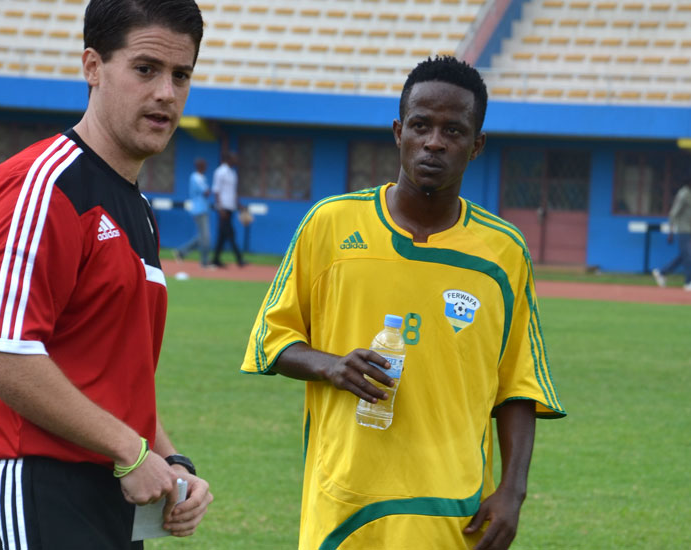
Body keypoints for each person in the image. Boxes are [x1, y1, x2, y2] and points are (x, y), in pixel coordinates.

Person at [240, 56, 565, 550]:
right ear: (398, 132)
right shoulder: (329, 225)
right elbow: (271, 341)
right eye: (421, 125)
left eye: (453, 130)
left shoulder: (504, 252)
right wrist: (331, 366)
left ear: (477, 145)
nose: (434, 142)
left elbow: (518, 384)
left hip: (453, 510)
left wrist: (513, 493)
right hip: (346, 504)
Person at [0, 2, 213, 549]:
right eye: (146, 69)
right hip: (32, 486)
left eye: (181, 74)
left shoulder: (136, 208)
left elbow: (114, 379)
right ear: (93, 67)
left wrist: (169, 461)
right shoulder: (42, 185)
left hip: (112, 492)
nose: (167, 92)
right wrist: (129, 449)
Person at [652, 181, 691, 291]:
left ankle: (662, 272)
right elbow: (674, 213)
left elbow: (690, 216)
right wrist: (671, 231)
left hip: (687, 229)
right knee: (688, 256)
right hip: (682, 229)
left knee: (685, 256)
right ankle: (688, 282)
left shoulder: (690, 194)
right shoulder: (683, 194)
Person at [174, 158, 212, 267]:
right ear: (200, 166)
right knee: (205, 237)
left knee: (203, 237)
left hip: (203, 208)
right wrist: (208, 191)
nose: (206, 168)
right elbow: (206, 192)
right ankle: (204, 262)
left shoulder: (202, 177)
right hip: (198, 209)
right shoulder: (196, 177)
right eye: (204, 165)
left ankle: (181, 251)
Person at [210, 150, 245, 267]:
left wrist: (239, 205)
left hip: (231, 208)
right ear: (229, 159)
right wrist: (220, 208)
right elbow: (216, 191)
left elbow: (233, 192)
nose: (237, 160)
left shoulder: (233, 173)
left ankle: (215, 259)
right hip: (223, 208)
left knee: (222, 235)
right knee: (230, 233)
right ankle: (239, 259)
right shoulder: (220, 172)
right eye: (235, 158)